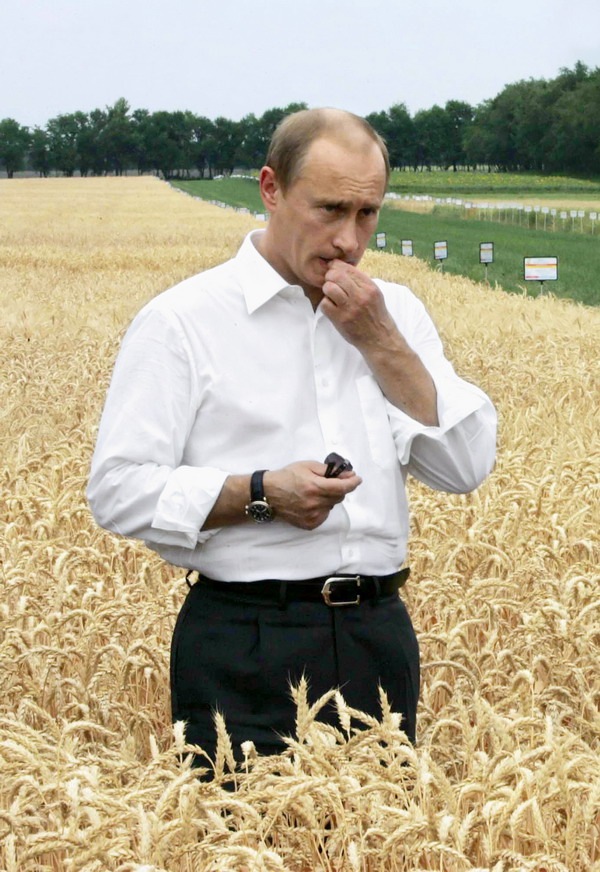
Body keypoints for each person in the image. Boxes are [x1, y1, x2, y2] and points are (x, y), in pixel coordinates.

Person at [88, 108, 497, 766]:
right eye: (330, 209)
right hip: (245, 640)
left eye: (367, 213)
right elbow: (116, 489)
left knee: (385, 829)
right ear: (271, 188)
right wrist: (259, 494)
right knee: (241, 827)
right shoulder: (182, 322)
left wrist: (382, 343)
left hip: (377, 635)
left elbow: (464, 466)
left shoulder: (394, 314)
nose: (349, 240)